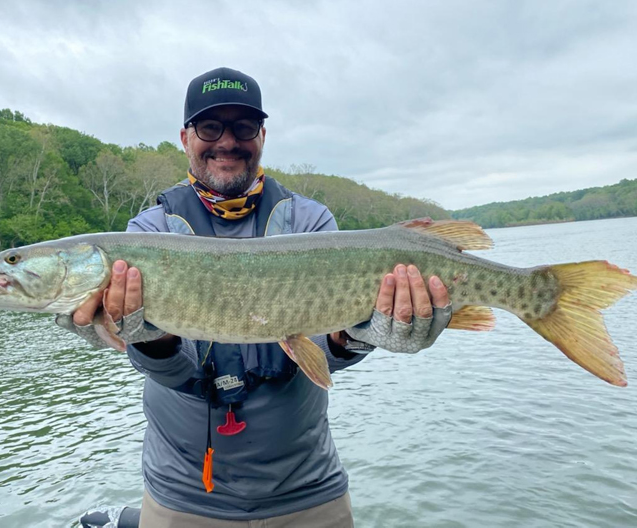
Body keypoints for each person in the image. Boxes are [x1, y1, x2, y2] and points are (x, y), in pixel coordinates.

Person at [73, 68, 451, 527]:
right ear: (185, 138)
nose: (227, 141)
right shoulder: (147, 234)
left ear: (262, 136)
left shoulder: (310, 223)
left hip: (308, 493)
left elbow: (325, 352)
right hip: (183, 498)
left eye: (244, 127)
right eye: (210, 127)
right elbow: (174, 371)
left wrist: (361, 335)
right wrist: (147, 338)